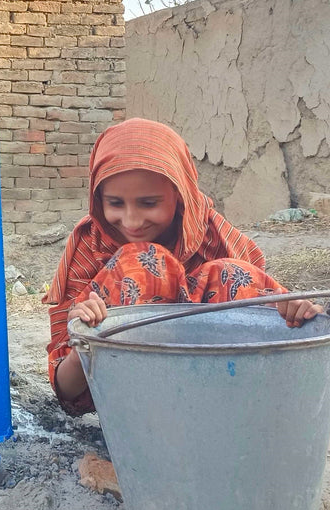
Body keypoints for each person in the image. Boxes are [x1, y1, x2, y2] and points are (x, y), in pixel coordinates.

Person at [44, 117, 320, 415]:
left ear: (180, 194)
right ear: (98, 199)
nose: (132, 221)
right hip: (136, 410)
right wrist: (86, 338)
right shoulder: (89, 247)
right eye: (115, 203)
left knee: (228, 273)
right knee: (143, 262)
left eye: (149, 203)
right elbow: (66, 390)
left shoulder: (215, 238)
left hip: (224, 398)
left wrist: (297, 311)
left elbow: (271, 325)